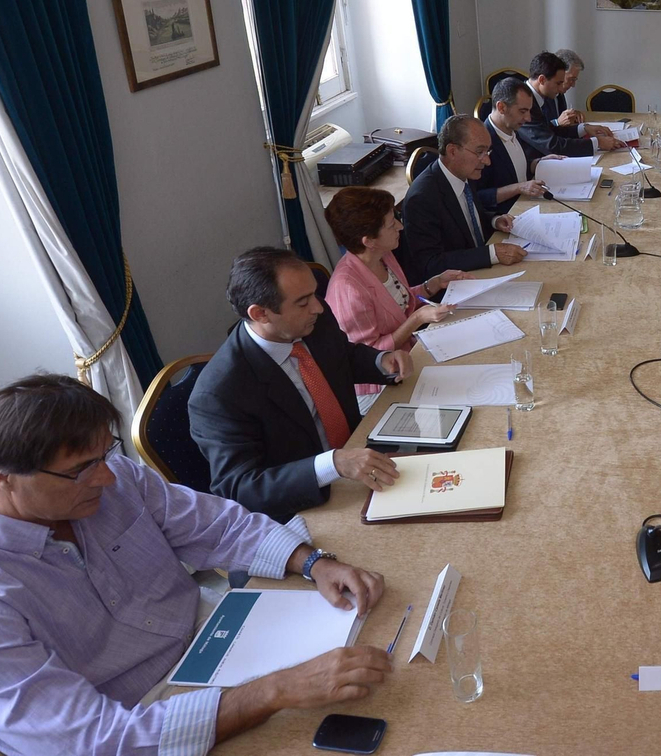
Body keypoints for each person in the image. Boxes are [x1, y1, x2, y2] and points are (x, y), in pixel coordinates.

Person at [0, 374, 392, 756]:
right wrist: (273, 691)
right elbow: (93, 742)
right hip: (137, 720)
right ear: (2, 477)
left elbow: (216, 526)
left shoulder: (107, 476)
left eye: (105, 454)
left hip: (215, 640)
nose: (104, 477)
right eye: (79, 470)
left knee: (380, 669)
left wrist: (310, 561)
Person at [190, 247, 411, 522]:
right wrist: (332, 464)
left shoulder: (314, 319)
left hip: (362, 454)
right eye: (303, 302)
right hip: (306, 503)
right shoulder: (219, 393)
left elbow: (342, 356)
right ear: (260, 314)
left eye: (314, 294)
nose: (318, 307)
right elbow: (240, 487)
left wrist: (381, 360)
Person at [323, 185, 468, 371]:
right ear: (369, 241)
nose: (400, 227)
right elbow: (369, 356)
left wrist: (433, 284)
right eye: (392, 224)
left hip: (413, 351)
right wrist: (417, 319)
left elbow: (397, 302)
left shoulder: (383, 254)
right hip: (383, 380)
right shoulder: (349, 291)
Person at [399, 115, 525, 284]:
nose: (487, 161)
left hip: (480, 271)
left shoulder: (465, 173)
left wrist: (494, 220)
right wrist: (492, 254)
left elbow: (468, 216)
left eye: (487, 152)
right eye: (479, 152)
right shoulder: (422, 198)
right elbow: (430, 263)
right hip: (454, 287)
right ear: (452, 151)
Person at [519, 51, 622, 157]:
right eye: (558, 83)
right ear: (542, 80)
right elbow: (552, 145)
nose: (560, 88)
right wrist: (597, 143)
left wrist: (583, 128)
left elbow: (550, 130)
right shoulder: (522, 102)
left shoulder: (534, 97)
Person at [478, 76, 553, 214]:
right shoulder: (481, 144)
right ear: (501, 107)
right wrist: (519, 188)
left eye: (529, 111)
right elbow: (477, 197)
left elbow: (514, 166)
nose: (528, 118)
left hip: (528, 205)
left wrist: (539, 163)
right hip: (507, 216)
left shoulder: (513, 129)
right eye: (522, 111)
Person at [553, 48, 586, 123]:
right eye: (571, 79)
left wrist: (572, 116)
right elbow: (540, 129)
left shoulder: (559, 94)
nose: (573, 85)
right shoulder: (544, 95)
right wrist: (557, 122)